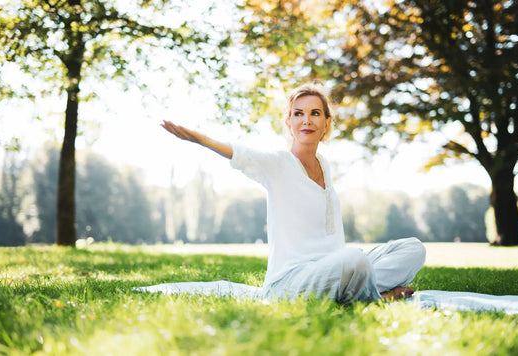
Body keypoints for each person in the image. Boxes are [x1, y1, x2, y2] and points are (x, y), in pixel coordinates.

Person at [161, 83, 426, 304]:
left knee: (413, 249)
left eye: (315, 113)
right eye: (298, 114)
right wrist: (200, 139)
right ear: (289, 122)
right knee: (355, 261)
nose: (306, 120)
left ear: (326, 122)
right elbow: (239, 153)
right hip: (290, 282)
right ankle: (380, 298)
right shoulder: (278, 164)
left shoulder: (325, 164)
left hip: (334, 268)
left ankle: (361, 288)